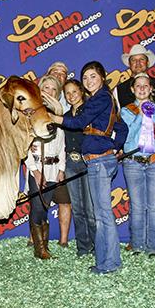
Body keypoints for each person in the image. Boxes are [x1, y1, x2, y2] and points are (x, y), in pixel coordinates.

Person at [50, 61, 128, 274]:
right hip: (96, 160)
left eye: (93, 76)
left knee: (102, 214)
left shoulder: (102, 97)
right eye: (85, 77)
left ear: (102, 77)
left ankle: (110, 263)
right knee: (100, 213)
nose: (89, 81)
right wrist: (116, 146)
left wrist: (50, 117)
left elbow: (78, 122)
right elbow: (122, 127)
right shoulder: (101, 99)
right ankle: (104, 260)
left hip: (100, 161)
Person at [120, 73, 155, 257]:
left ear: (152, 89)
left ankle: (154, 247)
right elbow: (126, 137)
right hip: (133, 162)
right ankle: (137, 245)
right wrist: (142, 114)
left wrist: (152, 114)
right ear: (132, 90)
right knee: (136, 205)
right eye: (138, 86)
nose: (142, 88)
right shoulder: (126, 111)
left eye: (146, 85)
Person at [25, 75, 66, 259]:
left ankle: (44, 246)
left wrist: (61, 169)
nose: (49, 92)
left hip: (52, 167)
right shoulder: (31, 115)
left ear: (57, 94)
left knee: (45, 206)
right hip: (37, 166)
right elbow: (24, 146)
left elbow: (62, 146)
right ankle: (40, 249)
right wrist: (34, 170)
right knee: (37, 207)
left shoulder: (58, 116)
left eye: (53, 89)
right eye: (46, 88)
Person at [62, 79, 96, 257]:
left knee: (90, 209)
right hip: (70, 163)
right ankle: (83, 246)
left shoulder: (90, 112)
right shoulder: (65, 116)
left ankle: (98, 246)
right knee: (78, 207)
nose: (71, 96)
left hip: (87, 161)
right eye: (67, 93)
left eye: (74, 91)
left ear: (81, 92)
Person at [114, 44, 155, 108]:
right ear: (129, 64)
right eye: (133, 60)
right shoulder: (118, 90)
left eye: (142, 59)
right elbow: (115, 116)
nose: (138, 63)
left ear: (147, 62)